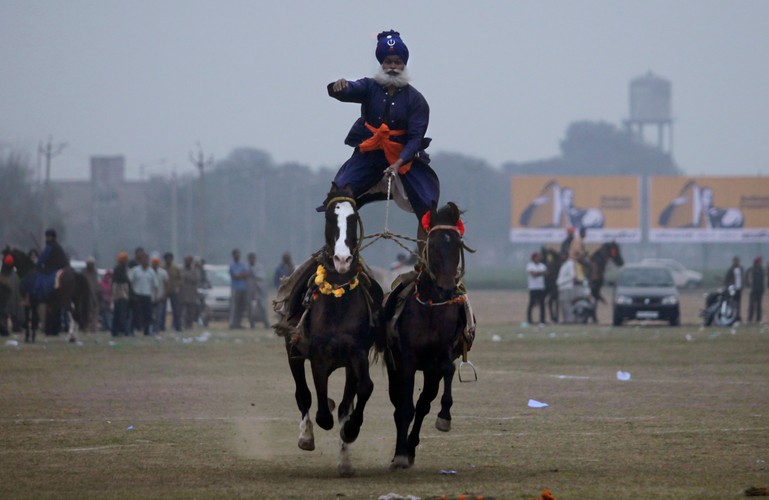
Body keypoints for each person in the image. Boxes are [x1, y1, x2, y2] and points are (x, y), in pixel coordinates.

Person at [322, 29, 439, 226]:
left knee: (429, 206)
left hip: (403, 159)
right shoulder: (369, 87)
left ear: (404, 64)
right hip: (369, 155)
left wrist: (398, 163)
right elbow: (350, 89)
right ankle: (339, 249)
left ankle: (430, 252)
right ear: (381, 64)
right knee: (339, 195)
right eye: (388, 62)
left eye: (397, 62)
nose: (392, 67)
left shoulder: (416, 100)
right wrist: (338, 87)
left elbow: (415, 139)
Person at [128, 252, 158, 336]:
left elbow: (155, 285)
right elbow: (130, 281)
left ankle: (147, 331)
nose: (145, 261)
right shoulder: (135, 270)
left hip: (147, 295)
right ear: (140, 261)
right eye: (143, 259)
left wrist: (155, 296)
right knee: (135, 314)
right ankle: (131, 331)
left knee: (147, 314)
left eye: (146, 259)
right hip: (137, 295)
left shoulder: (151, 271)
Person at [246, 252, 269, 329]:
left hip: (258, 290)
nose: (251, 260)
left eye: (252, 258)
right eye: (250, 259)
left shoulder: (259, 267)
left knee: (262, 307)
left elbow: (262, 277)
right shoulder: (246, 267)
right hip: (249, 291)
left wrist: (253, 274)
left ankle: (266, 323)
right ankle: (251, 324)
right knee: (250, 309)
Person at [111, 252, 131, 337]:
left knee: (119, 313)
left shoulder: (121, 268)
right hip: (121, 293)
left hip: (120, 293)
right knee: (121, 313)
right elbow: (123, 280)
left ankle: (117, 331)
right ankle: (122, 331)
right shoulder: (119, 269)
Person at [228, 249, 249, 329]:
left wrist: (241, 275)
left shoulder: (242, 264)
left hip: (243, 288)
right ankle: (232, 323)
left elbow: (247, 274)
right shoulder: (231, 265)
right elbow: (236, 276)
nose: (238, 256)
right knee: (234, 307)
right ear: (233, 255)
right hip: (235, 289)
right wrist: (242, 275)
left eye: (239, 254)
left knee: (241, 307)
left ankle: (238, 323)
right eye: (236, 254)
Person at [526, 252, 547, 325]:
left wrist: (538, 273)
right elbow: (533, 274)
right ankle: (529, 320)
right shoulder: (530, 265)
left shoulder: (542, 265)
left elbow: (545, 273)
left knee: (542, 304)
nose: (538, 259)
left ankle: (542, 320)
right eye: (537, 257)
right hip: (533, 287)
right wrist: (540, 273)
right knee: (532, 303)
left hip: (541, 287)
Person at [163, 252, 182, 332]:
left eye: (170, 259)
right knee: (162, 310)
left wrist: (178, 287)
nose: (169, 260)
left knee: (176, 310)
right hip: (164, 291)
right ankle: (161, 326)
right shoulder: (162, 268)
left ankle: (177, 326)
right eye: (167, 259)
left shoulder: (175, 268)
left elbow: (180, 279)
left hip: (174, 291)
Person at [556, 252, 578, 324]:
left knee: (568, 305)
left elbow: (572, 276)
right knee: (564, 305)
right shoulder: (564, 264)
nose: (562, 257)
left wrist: (561, 282)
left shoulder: (570, 264)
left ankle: (570, 320)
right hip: (562, 288)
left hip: (567, 287)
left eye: (563, 255)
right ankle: (566, 320)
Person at [180, 255, 200, 329]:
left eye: (189, 261)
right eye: (186, 260)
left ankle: (189, 325)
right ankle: (182, 324)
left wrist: (187, 277)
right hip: (183, 293)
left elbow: (196, 279)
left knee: (191, 311)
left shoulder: (194, 270)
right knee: (182, 311)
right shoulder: (181, 270)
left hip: (192, 294)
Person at [81, 257, 101, 332]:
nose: (91, 265)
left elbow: (96, 284)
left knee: (95, 311)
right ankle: (86, 327)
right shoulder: (83, 273)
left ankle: (94, 327)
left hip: (94, 295)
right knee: (87, 312)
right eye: (89, 264)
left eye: (92, 264)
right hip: (86, 295)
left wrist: (99, 292)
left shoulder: (95, 272)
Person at [151, 255, 169, 334]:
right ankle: (151, 328)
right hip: (150, 296)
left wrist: (164, 295)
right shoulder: (149, 272)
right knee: (151, 314)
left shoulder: (163, 272)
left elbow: (166, 284)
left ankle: (157, 329)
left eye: (156, 263)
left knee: (159, 314)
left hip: (160, 296)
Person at [724, 256, 744, 322]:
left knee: (739, 304)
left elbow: (742, 278)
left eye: (737, 261)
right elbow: (727, 279)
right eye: (735, 261)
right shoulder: (730, 270)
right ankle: (733, 316)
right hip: (733, 290)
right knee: (733, 304)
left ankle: (738, 316)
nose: (736, 262)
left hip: (739, 289)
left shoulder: (741, 269)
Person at [746, 256, 763, 323]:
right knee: (751, 305)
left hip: (760, 290)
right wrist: (748, 284)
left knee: (759, 306)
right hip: (753, 290)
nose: (760, 263)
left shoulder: (762, 269)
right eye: (759, 261)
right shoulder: (751, 269)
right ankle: (750, 318)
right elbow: (747, 277)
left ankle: (758, 319)